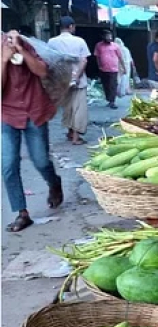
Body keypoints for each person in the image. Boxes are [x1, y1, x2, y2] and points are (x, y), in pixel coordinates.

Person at [1, 30, 64, 232]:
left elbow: (42, 71)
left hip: (35, 110)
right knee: (8, 164)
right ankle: (22, 213)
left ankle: (54, 183)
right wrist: (3, 60)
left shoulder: (23, 43)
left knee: (41, 161)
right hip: (7, 115)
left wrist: (19, 48)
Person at [47, 16, 90, 144]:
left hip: (61, 81)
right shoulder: (79, 41)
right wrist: (76, 77)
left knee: (68, 107)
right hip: (78, 80)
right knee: (78, 108)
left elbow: (50, 61)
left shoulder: (51, 42)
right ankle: (76, 138)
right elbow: (84, 60)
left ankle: (70, 133)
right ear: (71, 26)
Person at [93, 29, 125, 109]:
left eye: (110, 36)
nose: (109, 37)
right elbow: (97, 57)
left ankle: (112, 101)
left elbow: (120, 57)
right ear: (103, 37)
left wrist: (124, 68)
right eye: (107, 36)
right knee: (106, 85)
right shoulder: (98, 45)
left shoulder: (115, 46)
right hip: (103, 69)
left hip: (114, 69)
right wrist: (99, 66)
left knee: (113, 85)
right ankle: (109, 99)